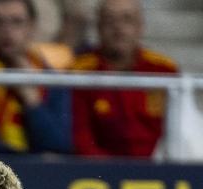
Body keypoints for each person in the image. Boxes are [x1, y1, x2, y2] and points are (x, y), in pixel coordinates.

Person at [0, 0, 72, 155]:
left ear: (31, 27)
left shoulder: (49, 79)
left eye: (16, 22)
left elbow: (57, 145)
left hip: (35, 170)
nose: (7, 31)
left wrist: (31, 99)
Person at [70, 0, 177, 158]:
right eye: (110, 20)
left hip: (158, 172)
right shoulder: (80, 71)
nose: (118, 28)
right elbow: (80, 136)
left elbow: (178, 131)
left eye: (127, 19)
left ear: (141, 26)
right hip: (99, 173)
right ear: (98, 27)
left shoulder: (164, 70)